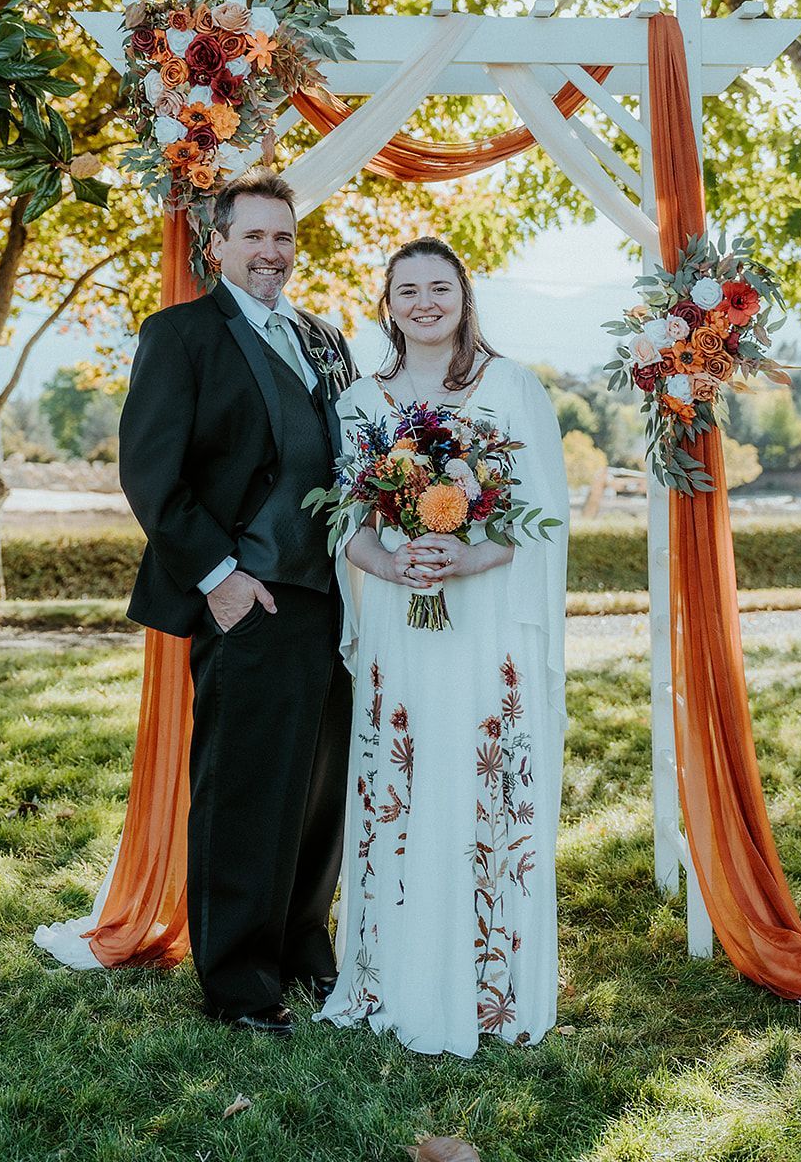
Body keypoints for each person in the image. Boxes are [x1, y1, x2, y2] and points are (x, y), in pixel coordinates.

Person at [316, 237, 569, 1057]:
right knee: (408, 774)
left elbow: (542, 517)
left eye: (439, 287)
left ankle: (488, 983)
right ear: (386, 304)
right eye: (406, 290)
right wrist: (392, 562)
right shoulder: (360, 400)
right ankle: (392, 971)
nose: (424, 301)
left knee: (473, 773)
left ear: (464, 296)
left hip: (485, 616)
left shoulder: (512, 387)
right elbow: (346, 524)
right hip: (402, 623)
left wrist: (467, 554)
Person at [118, 167, 355, 1037]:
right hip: (246, 596)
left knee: (319, 786)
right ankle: (238, 982)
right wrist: (219, 576)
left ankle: (303, 947)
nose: (271, 252)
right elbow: (150, 473)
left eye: (284, 237)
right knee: (244, 792)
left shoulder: (323, 337)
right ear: (215, 244)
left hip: (332, 598)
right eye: (253, 235)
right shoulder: (180, 334)